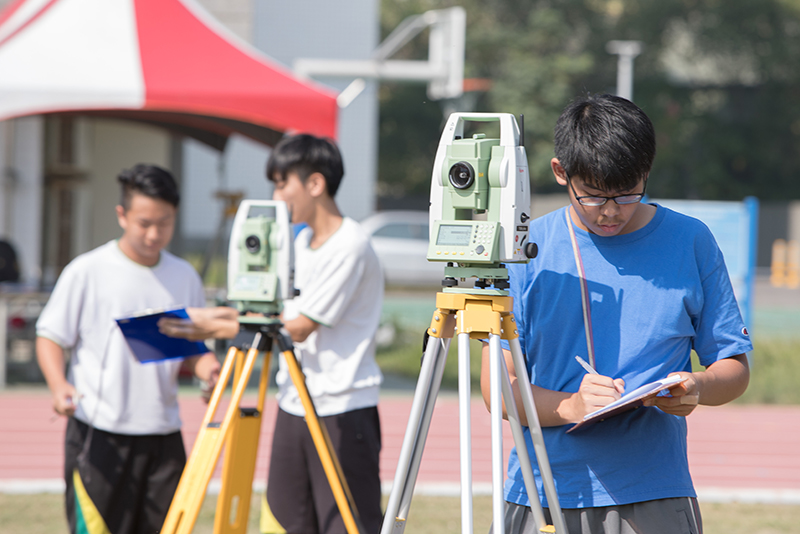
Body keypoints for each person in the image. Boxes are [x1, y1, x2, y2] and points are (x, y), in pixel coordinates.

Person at [481, 94, 751, 534]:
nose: (610, 211)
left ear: (646, 171)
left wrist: (696, 387)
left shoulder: (691, 241)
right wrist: (571, 406)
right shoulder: (526, 250)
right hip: (539, 493)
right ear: (559, 172)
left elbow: (734, 369)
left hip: (653, 493)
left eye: (627, 193)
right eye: (592, 196)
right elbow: (497, 389)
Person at [159, 134, 385, 534]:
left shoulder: (350, 245)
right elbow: (265, 310)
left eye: (283, 184)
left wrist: (214, 324)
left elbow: (297, 327)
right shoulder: (298, 242)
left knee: (346, 524)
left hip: (341, 408)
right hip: (293, 401)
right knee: (286, 520)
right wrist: (204, 316)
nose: (277, 195)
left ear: (315, 184)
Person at [36, 164, 221, 534]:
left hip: (163, 435)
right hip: (99, 433)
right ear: (122, 215)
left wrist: (210, 372)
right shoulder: (87, 271)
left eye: (164, 223)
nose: (154, 234)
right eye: (144, 223)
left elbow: (194, 348)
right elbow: (50, 337)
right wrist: (59, 387)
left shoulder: (184, 275)